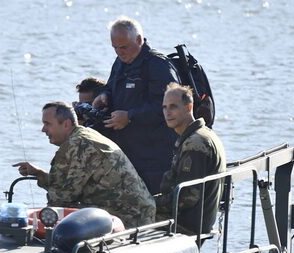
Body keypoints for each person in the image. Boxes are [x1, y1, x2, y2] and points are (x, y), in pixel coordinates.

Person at [13, 102, 155, 229]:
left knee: (58, 216)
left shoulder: (78, 145)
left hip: (129, 219)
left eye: (47, 124)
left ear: (66, 124)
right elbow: (67, 185)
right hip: (135, 212)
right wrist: (40, 174)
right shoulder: (83, 135)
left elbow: (60, 200)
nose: (43, 129)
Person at [91, 17, 181, 194]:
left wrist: (130, 116)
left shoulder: (158, 65)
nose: (119, 52)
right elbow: (111, 87)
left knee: (154, 208)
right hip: (127, 154)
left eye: (123, 47)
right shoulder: (120, 62)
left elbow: (170, 108)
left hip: (155, 158)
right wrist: (104, 95)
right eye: (115, 48)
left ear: (139, 40)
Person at [155, 83, 226, 236]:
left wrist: (149, 203)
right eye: (164, 107)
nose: (167, 112)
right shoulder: (202, 134)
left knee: (125, 218)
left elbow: (186, 197)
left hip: (186, 226)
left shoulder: (195, 143)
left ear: (188, 107)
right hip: (193, 220)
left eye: (173, 107)